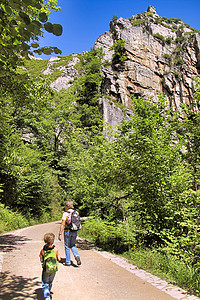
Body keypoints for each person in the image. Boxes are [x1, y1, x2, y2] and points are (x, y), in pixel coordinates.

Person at [58, 200, 81, 266]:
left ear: (67, 206)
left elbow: (63, 224)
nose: (64, 207)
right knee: (73, 245)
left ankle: (68, 262)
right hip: (74, 230)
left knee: (67, 246)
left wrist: (60, 233)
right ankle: (76, 256)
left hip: (67, 231)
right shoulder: (76, 212)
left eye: (65, 206)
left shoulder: (65, 213)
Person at [39, 233, 61, 300]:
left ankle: (47, 297)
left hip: (46, 269)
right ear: (53, 241)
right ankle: (49, 290)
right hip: (54, 269)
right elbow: (59, 258)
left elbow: (41, 260)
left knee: (45, 282)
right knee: (50, 281)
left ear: (45, 241)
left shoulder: (43, 250)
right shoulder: (55, 249)